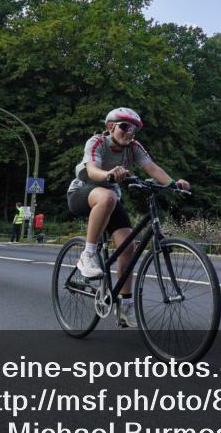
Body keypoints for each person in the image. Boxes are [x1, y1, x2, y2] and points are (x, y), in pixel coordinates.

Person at [67, 107, 190, 328]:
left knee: (128, 247)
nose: (129, 131)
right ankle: (88, 253)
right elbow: (93, 169)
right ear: (110, 126)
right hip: (82, 193)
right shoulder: (97, 142)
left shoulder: (134, 148)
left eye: (133, 128)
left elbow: (151, 167)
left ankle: (125, 305)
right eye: (124, 126)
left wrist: (173, 184)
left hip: (110, 199)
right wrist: (109, 175)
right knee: (107, 196)